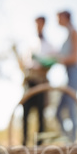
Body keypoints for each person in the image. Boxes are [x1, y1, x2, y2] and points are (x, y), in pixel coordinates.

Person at [18, 16, 54, 146]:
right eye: (36, 23)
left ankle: (39, 145)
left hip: (41, 82)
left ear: (44, 24)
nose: (38, 26)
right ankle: (24, 144)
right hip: (29, 81)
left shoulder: (49, 45)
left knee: (40, 114)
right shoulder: (29, 42)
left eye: (40, 23)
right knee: (25, 112)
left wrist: (44, 63)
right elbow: (23, 62)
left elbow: (51, 62)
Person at [55, 10, 77, 142]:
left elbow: (75, 57)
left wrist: (60, 60)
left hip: (75, 73)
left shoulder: (74, 32)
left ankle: (73, 141)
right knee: (58, 112)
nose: (57, 20)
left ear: (65, 17)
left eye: (58, 17)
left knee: (71, 107)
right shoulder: (67, 35)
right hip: (68, 75)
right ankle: (68, 140)